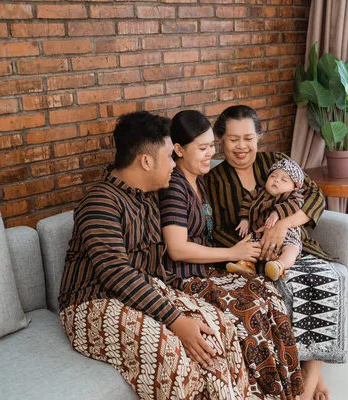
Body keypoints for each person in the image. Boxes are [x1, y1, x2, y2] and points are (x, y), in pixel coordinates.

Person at [57, 111, 249, 399]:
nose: (175, 164)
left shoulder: (148, 197)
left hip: (142, 291)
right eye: (171, 157)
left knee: (219, 327)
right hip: (91, 304)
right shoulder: (100, 202)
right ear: (146, 161)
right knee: (171, 354)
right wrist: (176, 320)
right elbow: (117, 274)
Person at [206, 105, 348, 400]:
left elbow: (314, 196)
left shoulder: (278, 162)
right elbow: (218, 228)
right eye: (233, 139)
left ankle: (309, 382)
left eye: (248, 137)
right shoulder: (214, 179)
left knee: (323, 280)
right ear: (221, 140)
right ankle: (308, 371)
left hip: (294, 248)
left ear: (259, 136)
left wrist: (283, 224)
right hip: (253, 258)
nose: (241, 146)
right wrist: (253, 250)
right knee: (279, 291)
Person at [159, 110, 303, 400]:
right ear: (178, 149)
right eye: (204, 148)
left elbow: (306, 194)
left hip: (209, 268)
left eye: (212, 145)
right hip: (184, 276)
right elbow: (176, 248)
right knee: (250, 309)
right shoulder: (175, 186)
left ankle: (291, 392)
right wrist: (234, 251)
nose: (211, 154)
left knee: (268, 294)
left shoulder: (198, 179)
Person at [229, 158, 306, 281]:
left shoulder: (293, 195)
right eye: (273, 176)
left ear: (295, 187)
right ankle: (247, 264)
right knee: (250, 246)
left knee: (292, 249)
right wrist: (244, 220)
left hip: (287, 235)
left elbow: (294, 204)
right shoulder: (256, 193)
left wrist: (277, 214)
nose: (276, 180)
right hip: (260, 234)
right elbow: (246, 203)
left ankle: (279, 265)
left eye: (284, 180)